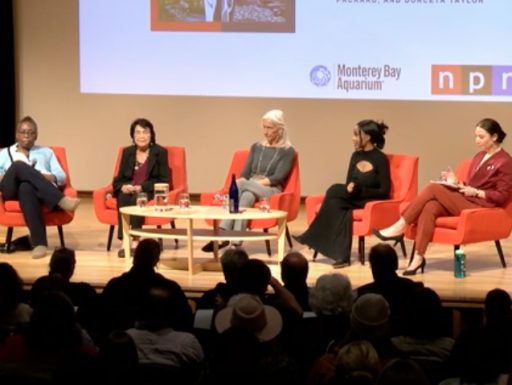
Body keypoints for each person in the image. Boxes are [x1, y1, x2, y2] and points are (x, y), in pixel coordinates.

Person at [373, 118, 512, 275]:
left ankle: (400, 226)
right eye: (476, 136)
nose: (477, 141)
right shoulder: (480, 156)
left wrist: (477, 192)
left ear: (494, 137)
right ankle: (418, 257)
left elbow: (501, 195)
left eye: (481, 137)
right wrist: (457, 182)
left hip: (481, 206)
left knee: (433, 188)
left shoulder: (505, 161)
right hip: (468, 198)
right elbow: (472, 183)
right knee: (430, 206)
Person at [293, 120, 391, 268]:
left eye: (356, 135)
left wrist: (362, 191)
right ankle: (342, 257)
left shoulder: (380, 159)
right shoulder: (355, 156)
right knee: (340, 207)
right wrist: (350, 188)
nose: (353, 138)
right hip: (353, 197)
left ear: (368, 137)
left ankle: (312, 236)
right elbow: (348, 183)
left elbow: (384, 191)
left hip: (371, 200)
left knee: (334, 191)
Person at [202, 110, 295, 252]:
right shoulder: (256, 147)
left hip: (271, 189)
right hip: (249, 188)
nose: (265, 131)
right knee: (246, 196)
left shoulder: (287, 151)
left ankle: (222, 233)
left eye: (269, 128)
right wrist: (247, 185)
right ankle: (235, 244)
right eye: (263, 127)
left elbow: (276, 178)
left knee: (240, 185)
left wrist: (249, 184)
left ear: (280, 130)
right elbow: (244, 174)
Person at [0, 116, 80, 259]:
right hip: (10, 189)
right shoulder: (5, 153)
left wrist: (40, 177)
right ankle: (60, 200)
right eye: (23, 132)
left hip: (34, 192)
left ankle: (39, 244)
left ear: (36, 135)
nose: (26, 136)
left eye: (30, 132)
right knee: (18, 166)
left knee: (26, 187)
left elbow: (61, 177)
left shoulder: (47, 152)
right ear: (17, 134)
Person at [113, 118, 169, 258]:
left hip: (148, 190)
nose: (141, 136)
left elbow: (163, 179)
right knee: (123, 197)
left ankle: (136, 240)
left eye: (145, 132)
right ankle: (125, 239)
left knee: (139, 198)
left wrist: (141, 187)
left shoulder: (159, 152)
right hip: (129, 190)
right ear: (133, 136)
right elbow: (118, 178)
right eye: (137, 133)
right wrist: (122, 187)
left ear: (151, 135)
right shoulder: (127, 152)